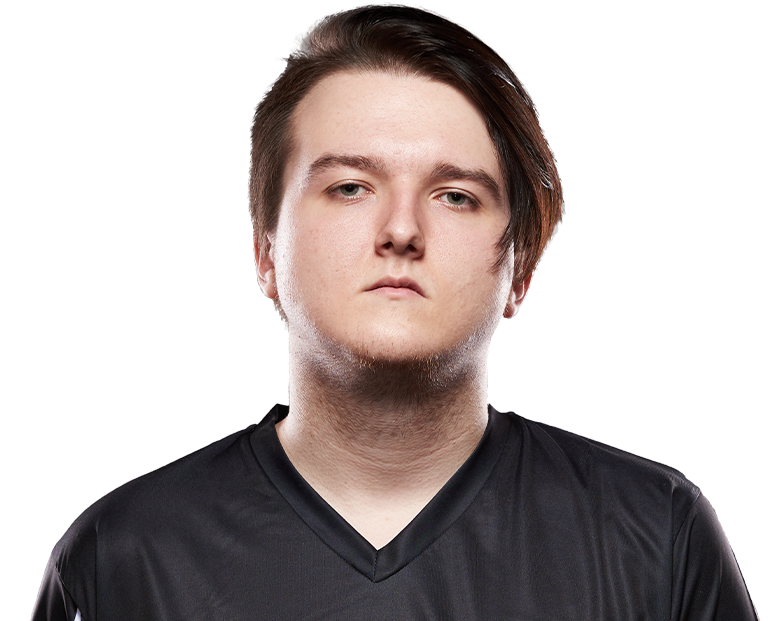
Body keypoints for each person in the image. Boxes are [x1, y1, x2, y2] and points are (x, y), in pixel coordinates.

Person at [32, 4, 758, 620]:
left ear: (520, 270)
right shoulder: (125, 552)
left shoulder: (654, 532)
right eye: (350, 187)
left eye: (456, 196)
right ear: (264, 250)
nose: (402, 229)